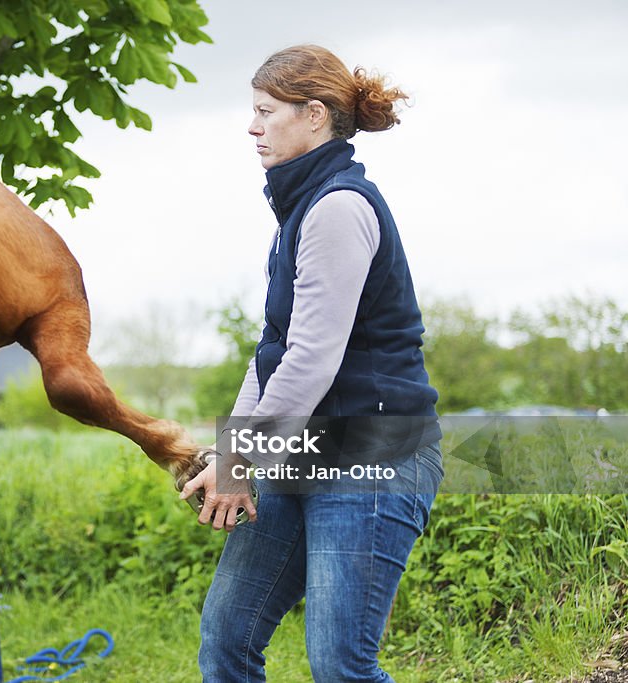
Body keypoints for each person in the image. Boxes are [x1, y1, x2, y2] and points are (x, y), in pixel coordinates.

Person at [179, 45, 445, 682]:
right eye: (253, 112)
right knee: (226, 640)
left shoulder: (339, 208)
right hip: (303, 450)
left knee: (341, 667)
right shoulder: (297, 212)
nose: (252, 127)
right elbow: (271, 356)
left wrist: (241, 459)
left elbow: (312, 361)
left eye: (266, 112)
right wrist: (229, 454)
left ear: (315, 114)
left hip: (374, 457)